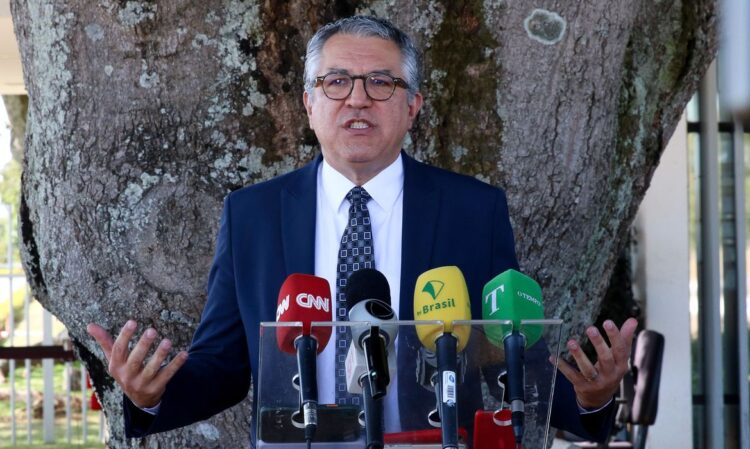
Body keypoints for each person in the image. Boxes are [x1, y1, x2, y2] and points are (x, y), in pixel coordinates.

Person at [87, 15, 637, 447]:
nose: (356, 98)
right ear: (309, 104)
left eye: (380, 82)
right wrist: (152, 395)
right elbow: (226, 366)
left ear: (413, 105)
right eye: (335, 82)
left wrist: (589, 400)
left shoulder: (475, 210)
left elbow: (505, 356)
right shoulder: (251, 214)